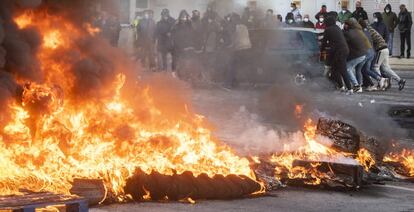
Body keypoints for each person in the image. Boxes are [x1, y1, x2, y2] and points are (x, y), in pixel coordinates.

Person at [365, 21, 406, 90]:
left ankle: (381, 83)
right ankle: (400, 80)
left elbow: (371, 44)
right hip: (385, 49)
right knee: (385, 68)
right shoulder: (372, 30)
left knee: (375, 67)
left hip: (380, 49)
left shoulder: (368, 32)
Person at [358, 19, 391, 90]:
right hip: (373, 52)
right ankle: (378, 80)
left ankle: (379, 80)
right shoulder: (368, 31)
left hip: (368, 53)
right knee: (368, 69)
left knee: (365, 69)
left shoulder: (362, 32)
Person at [321, 16, 350, 92]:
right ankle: (342, 87)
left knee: (343, 70)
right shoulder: (337, 28)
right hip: (344, 50)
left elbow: (324, 42)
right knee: (334, 70)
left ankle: (350, 89)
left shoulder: (328, 29)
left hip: (339, 52)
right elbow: (334, 41)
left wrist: (322, 52)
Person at [225, 13, 251, 88]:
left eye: (232, 19)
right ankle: (238, 83)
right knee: (239, 66)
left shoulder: (234, 26)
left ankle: (228, 84)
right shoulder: (244, 26)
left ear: (234, 19)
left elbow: (233, 38)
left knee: (232, 66)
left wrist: (229, 47)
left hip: (239, 48)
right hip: (247, 47)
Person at [343, 18, 369, 93]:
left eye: (345, 24)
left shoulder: (349, 33)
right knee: (357, 70)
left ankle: (356, 85)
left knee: (348, 68)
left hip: (359, 55)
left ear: (348, 25)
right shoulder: (356, 31)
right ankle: (358, 86)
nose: (344, 25)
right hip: (363, 54)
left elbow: (343, 41)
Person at [171, 10, 194, 74]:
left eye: (185, 17)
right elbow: (172, 34)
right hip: (177, 47)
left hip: (186, 47)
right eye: (182, 17)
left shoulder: (189, 25)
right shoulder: (176, 25)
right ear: (180, 17)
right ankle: (174, 73)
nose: (183, 18)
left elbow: (193, 34)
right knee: (175, 61)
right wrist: (173, 44)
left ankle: (184, 74)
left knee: (185, 61)